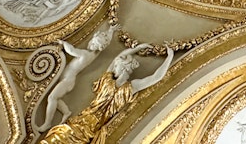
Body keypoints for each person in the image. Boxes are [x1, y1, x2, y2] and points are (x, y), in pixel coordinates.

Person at [40, 41, 174, 143]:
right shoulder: (107, 80)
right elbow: (117, 57)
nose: (114, 67)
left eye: (117, 66)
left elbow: (155, 78)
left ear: (124, 68)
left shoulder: (130, 87)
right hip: (78, 121)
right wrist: (137, 48)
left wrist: (170, 57)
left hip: (90, 130)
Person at [38, 26, 116, 131]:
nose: (91, 44)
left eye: (94, 44)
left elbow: (71, 50)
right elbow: (106, 44)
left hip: (67, 81)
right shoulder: (94, 54)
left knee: (51, 98)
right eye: (92, 42)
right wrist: (110, 31)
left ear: (97, 47)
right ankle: (66, 112)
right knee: (57, 98)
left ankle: (47, 123)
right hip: (68, 81)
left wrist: (63, 43)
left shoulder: (85, 54)